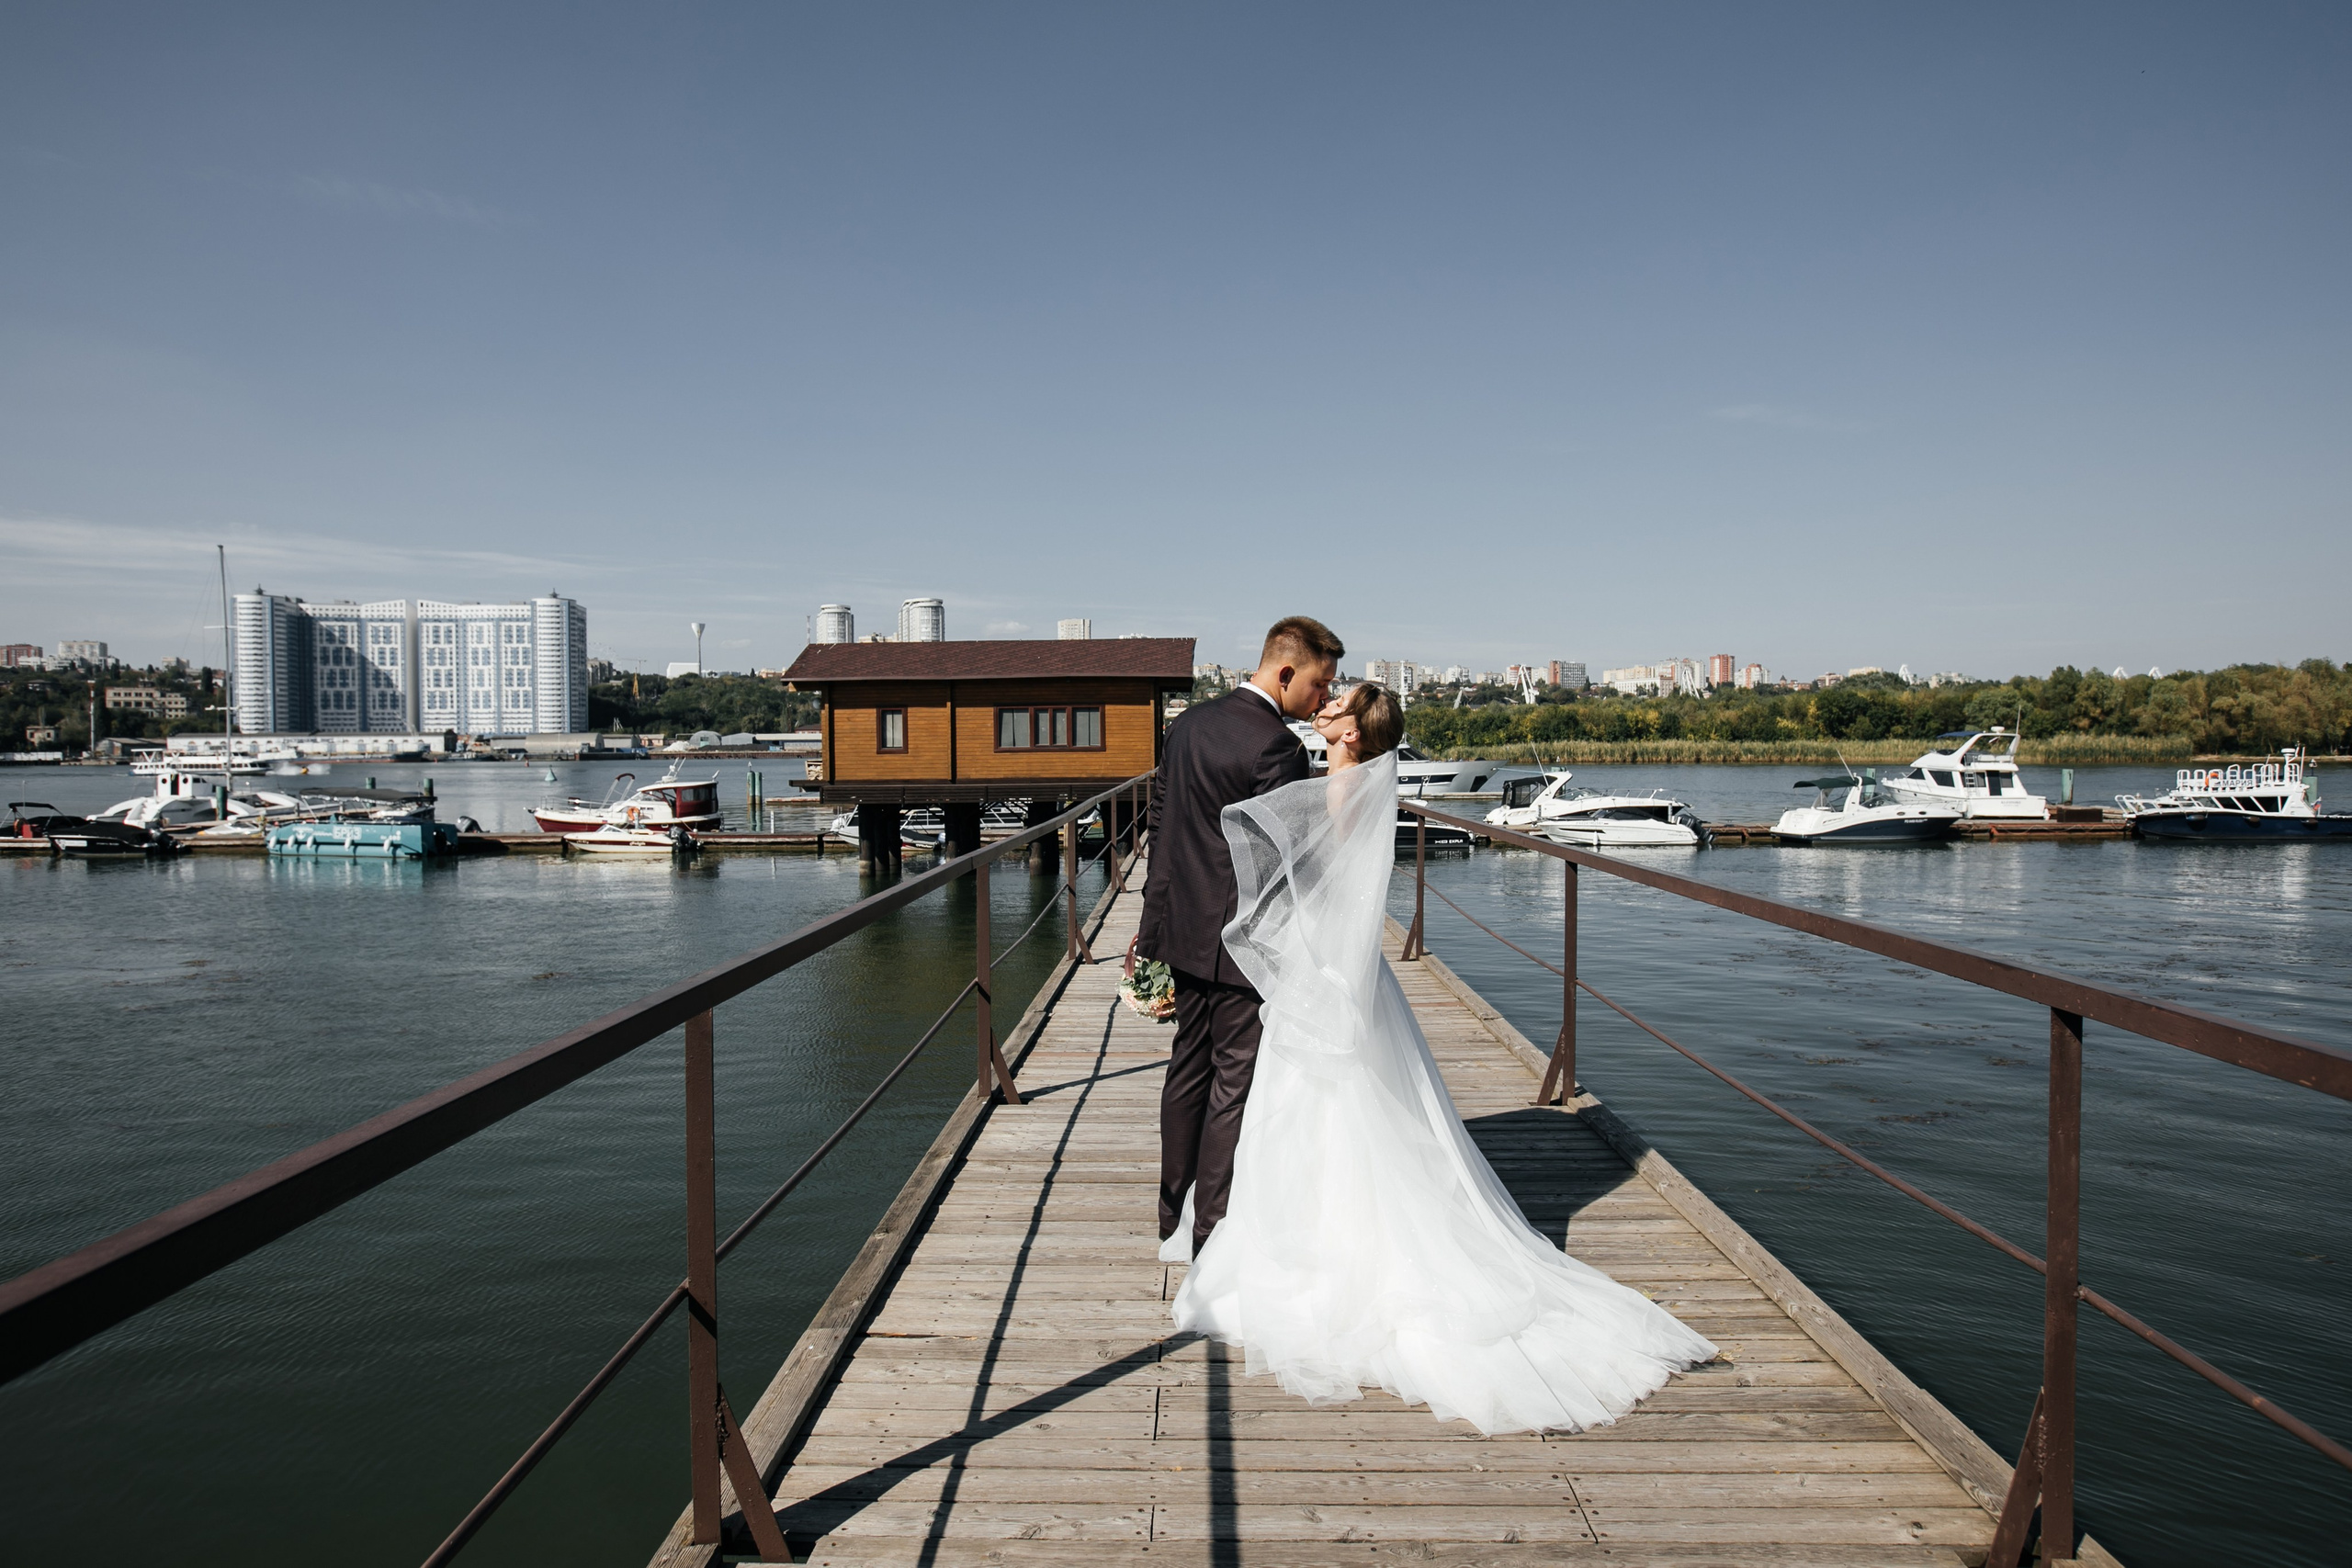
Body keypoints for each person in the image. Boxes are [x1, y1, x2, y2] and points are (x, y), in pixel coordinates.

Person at [1167, 681, 1717, 1435]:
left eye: (1344, 701)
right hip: (1344, 964)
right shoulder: (1350, 775)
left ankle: (1315, 1251)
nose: (1329, 701)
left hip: (1328, 965)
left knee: (1316, 1105)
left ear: (1354, 734)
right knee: (1336, 1107)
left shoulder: (1335, 782)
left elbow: (1316, 878)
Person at [1140, 615, 1341, 1260]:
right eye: (1318, 683)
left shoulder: (1186, 726)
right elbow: (1287, 861)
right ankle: (1211, 1238)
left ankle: (1172, 1212)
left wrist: (1150, 932)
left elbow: (1162, 828)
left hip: (1181, 930)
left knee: (1184, 1071)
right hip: (1240, 944)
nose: (1321, 698)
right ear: (1285, 671)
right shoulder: (1277, 748)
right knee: (1232, 1084)